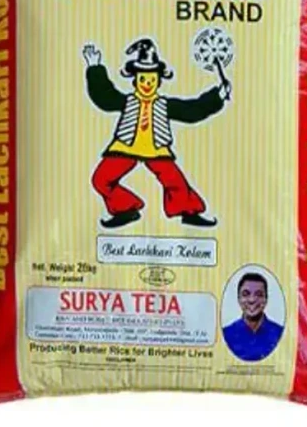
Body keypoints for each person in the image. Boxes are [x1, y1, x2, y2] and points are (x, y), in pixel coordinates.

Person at [83, 37, 231, 228]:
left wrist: (218, 96)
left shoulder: (164, 105)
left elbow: (192, 110)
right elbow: (105, 98)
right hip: (125, 148)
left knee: (176, 182)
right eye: (143, 79)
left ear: (159, 81)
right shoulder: (127, 101)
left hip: (157, 150)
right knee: (101, 179)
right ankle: (125, 209)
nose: (147, 84)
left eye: (152, 79)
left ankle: (189, 212)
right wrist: (95, 67)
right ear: (135, 80)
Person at [222, 272, 284, 361]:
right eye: (245, 294)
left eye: (259, 294)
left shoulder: (280, 333)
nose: (252, 300)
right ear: (239, 299)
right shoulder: (226, 335)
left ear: (266, 299)